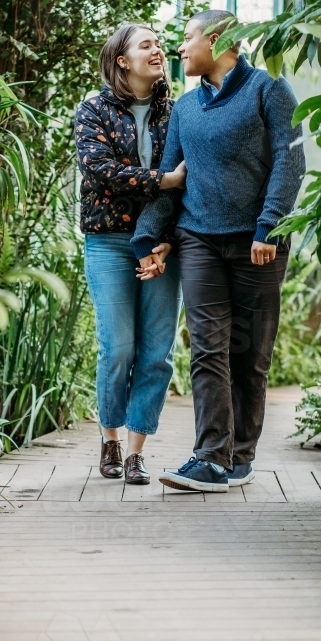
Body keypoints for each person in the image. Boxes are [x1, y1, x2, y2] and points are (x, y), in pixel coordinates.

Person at [131, 10, 305, 493]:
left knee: (249, 353)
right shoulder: (186, 108)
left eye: (188, 39)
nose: (180, 49)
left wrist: (268, 228)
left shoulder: (269, 91)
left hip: (257, 244)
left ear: (218, 39)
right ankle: (209, 458)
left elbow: (290, 165)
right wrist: (148, 238)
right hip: (199, 240)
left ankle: (240, 456)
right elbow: (169, 183)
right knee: (208, 350)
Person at [75, 24, 186, 485]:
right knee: (117, 348)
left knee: (157, 352)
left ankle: (137, 451)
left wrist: (167, 240)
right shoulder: (93, 109)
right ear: (122, 60)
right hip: (108, 242)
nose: (157, 50)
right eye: (147, 45)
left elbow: (191, 181)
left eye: (158, 44)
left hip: (163, 245)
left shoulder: (178, 112)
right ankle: (110, 440)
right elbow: (99, 170)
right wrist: (162, 180)